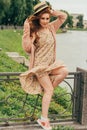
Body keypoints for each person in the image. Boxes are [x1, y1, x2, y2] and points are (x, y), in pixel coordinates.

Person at [20, 1, 68, 130]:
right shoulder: (35, 31)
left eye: (47, 18)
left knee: (64, 71)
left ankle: (46, 92)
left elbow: (63, 16)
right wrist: (26, 32)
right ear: (38, 18)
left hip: (50, 65)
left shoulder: (52, 28)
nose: (45, 21)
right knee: (50, 90)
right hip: (39, 66)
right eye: (43, 18)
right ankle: (44, 120)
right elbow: (27, 49)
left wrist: (52, 12)